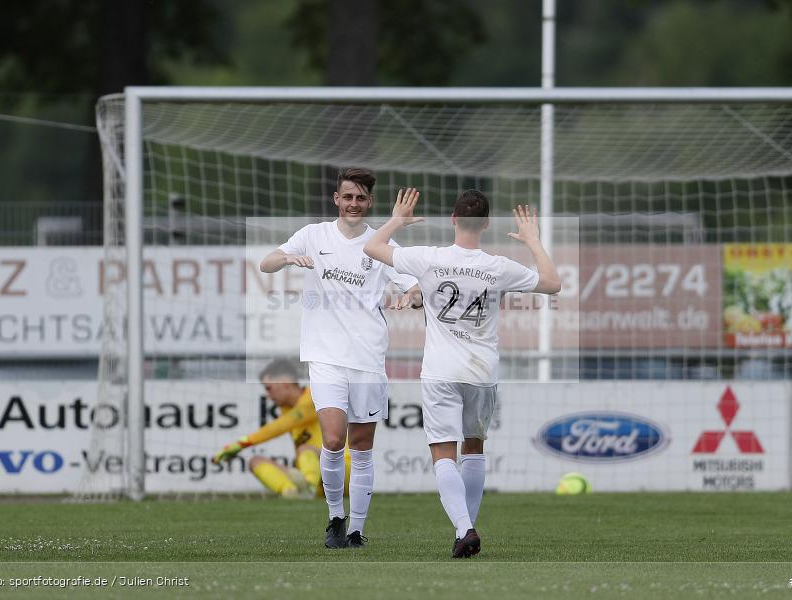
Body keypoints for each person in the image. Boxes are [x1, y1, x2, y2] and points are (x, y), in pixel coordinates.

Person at [363, 188, 561, 558]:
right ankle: (464, 530)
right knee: (474, 448)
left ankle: (464, 528)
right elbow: (552, 283)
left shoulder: (429, 259)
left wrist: (397, 220)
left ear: (453, 218)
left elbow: (372, 247)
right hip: (482, 371)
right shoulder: (499, 266)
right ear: (486, 224)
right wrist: (533, 241)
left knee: (443, 453)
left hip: (440, 371)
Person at [259, 167, 420, 549]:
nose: (353, 204)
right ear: (336, 199)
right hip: (325, 356)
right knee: (332, 440)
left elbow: (416, 288)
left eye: (360, 198)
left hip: (367, 357)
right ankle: (334, 517)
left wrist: (409, 298)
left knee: (362, 446)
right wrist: (285, 260)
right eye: (347, 197)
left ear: (369, 203)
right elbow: (267, 262)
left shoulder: (379, 245)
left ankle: (358, 529)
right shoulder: (313, 235)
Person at [211, 359, 349, 498]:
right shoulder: (286, 408)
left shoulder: (313, 398)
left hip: (344, 473)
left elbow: (281, 426)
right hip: (317, 481)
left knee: (305, 449)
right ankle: (292, 492)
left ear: (285, 382)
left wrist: (243, 443)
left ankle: (308, 488)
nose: (267, 394)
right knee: (255, 461)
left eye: (269, 388)